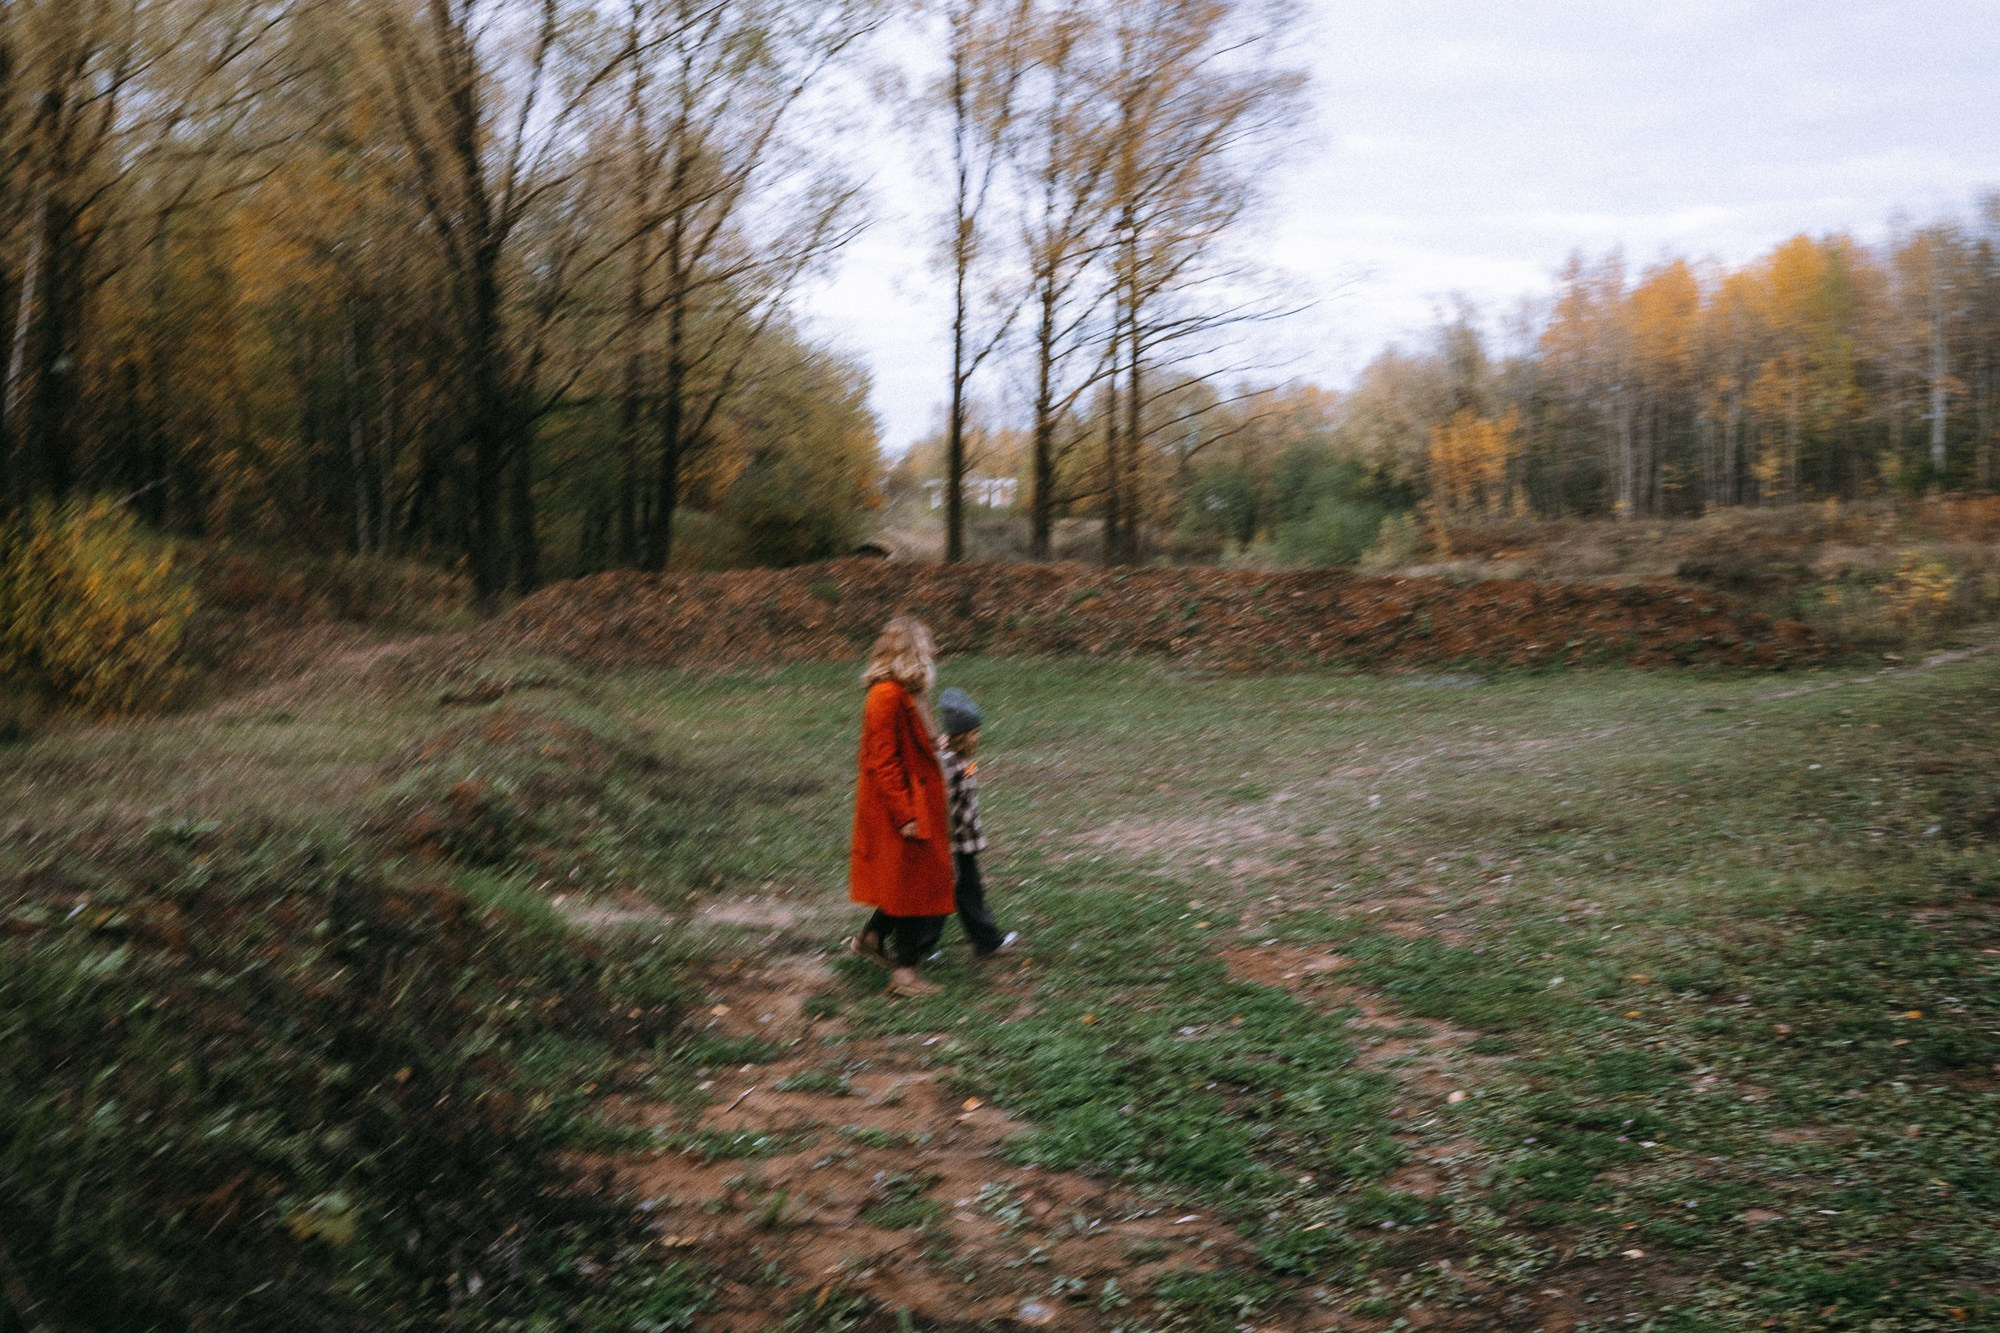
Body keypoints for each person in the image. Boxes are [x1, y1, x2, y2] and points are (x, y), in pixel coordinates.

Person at [848, 615, 954, 998]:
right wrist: (905, 814)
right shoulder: (885, 695)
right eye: (927, 645)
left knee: (909, 882)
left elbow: (917, 741)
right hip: (903, 807)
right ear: (910, 651)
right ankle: (905, 973)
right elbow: (882, 761)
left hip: (920, 801)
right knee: (923, 888)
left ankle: (873, 937)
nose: (934, 651)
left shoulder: (910, 692)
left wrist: (937, 742)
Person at [934, 687, 1018, 959]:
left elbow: (967, 789)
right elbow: (943, 803)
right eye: (973, 733)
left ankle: (985, 941)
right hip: (953, 842)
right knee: (951, 894)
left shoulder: (962, 759)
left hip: (964, 840)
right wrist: (944, 842)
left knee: (966, 891)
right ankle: (918, 947)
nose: (978, 737)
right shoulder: (947, 763)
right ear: (960, 736)